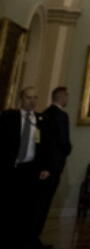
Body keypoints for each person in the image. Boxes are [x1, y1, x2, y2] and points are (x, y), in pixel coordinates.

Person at [1, 87, 49, 249]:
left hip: (31, 170)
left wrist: (45, 167)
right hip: (11, 169)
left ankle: (26, 240)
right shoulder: (9, 117)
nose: (32, 101)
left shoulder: (41, 120)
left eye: (35, 97)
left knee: (28, 208)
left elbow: (45, 147)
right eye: (29, 97)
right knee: (9, 206)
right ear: (22, 98)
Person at [32, 86, 72, 245]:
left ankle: (31, 237)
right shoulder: (60, 115)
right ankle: (34, 238)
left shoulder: (44, 114)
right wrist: (67, 150)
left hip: (41, 164)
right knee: (43, 203)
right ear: (61, 97)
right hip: (53, 165)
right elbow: (63, 141)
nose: (67, 99)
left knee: (37, 202)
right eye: (67, 96)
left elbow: (38, 142)